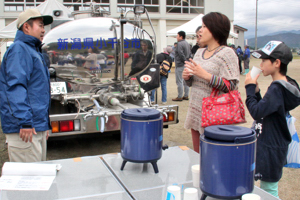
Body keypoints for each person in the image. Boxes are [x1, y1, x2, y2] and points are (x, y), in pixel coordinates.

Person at [245, 41, 300, 198]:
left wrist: (249, 89)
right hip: (274, 145)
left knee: (268, 190)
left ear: (277, 63)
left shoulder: (277, 88)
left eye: (264, 61)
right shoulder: (285, 85)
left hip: (270, 148)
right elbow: (267, 109)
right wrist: (256, 92)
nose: (260, 65)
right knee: (268, 187)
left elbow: (257, 112)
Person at [0, 9, 53, 162]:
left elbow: (37, 91)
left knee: (38, 177)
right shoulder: (20, 49)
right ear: (26, 27)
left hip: (35, 127)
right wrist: (25, 122)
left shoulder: (33, 51)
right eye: (40, 25)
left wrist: (43, 125)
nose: (43, 30)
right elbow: (16, 87)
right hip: (24, 129)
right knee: (28, 180)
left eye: (44, 27)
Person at [183, 12, 239, 153]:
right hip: (196, 110)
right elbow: (194, 84)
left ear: (215, 28)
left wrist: (206, 75)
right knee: (198, 155)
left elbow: (231, 86)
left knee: (213, 157)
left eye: (204, 26)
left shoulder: (227, 53)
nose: (200, 30)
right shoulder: (198, 52)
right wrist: (188, 78)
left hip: (216, 115)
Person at [172, 31, 191, 101]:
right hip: (186, 65)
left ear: (181, 37)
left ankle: (179, 96)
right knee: (185, 80)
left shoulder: (179, 44)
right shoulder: (187, 43)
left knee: (179, 81)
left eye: (177, 36)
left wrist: (184, 61)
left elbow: (180, 53)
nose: (176, 37)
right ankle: (186, 95)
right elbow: (189, 54)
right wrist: (187, 62)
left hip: (180, 64)